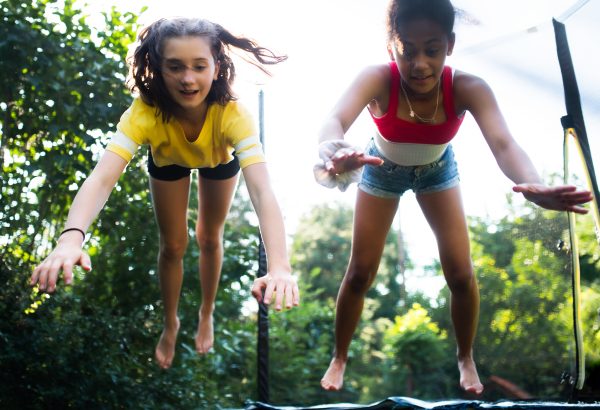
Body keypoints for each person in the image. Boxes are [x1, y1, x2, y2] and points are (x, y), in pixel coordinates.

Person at [315, 0, 593, 394]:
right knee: (360, 272)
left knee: (461, 274)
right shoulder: (378, 78)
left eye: (432, 49)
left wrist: (534, 184)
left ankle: (465, 357)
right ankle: (340, 356)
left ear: (450, 44)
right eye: (407, 50)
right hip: (381, 169)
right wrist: (333, 148)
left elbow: (504, 144)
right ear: (390, 47)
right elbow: (333, 120)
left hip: (437, 172)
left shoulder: (468, 87)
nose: (420, 64)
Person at [30, 17, 299, 370]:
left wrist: (279, 264)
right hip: (168, 160)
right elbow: (102, 178)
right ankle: (171, 321)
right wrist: (70, 238)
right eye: (175, 67)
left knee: (209, 238)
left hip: (218, 159)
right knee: (173, 245)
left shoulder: (234, 115)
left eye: (199, 66)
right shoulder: (144, 112)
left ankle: (207, 311)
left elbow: (262, 191)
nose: (188, 78)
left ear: (217, 67)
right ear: (157, 69)